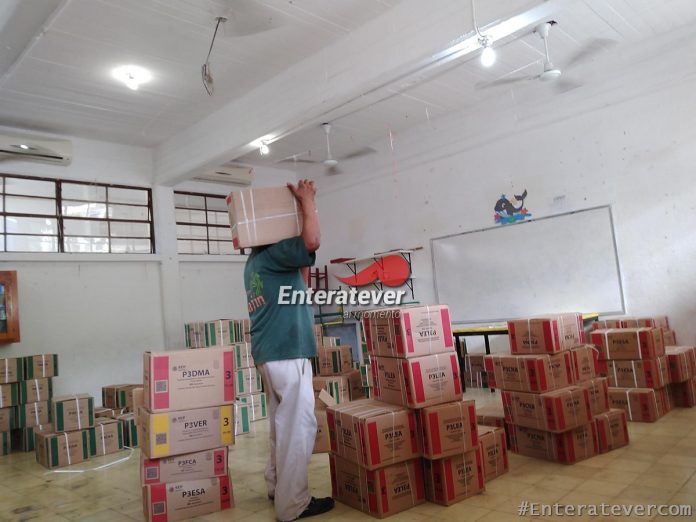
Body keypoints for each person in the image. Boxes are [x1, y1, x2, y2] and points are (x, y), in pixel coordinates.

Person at [244, 179, 334, 522]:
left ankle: (276, 485)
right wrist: (307, 201)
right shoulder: (274, 252)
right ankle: (292, 505)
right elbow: (313, 241)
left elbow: (302, 283)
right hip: (287, 350)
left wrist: (299, 215)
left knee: (281, 425)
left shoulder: (256, 261)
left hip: (271, 352)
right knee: (299, 427)